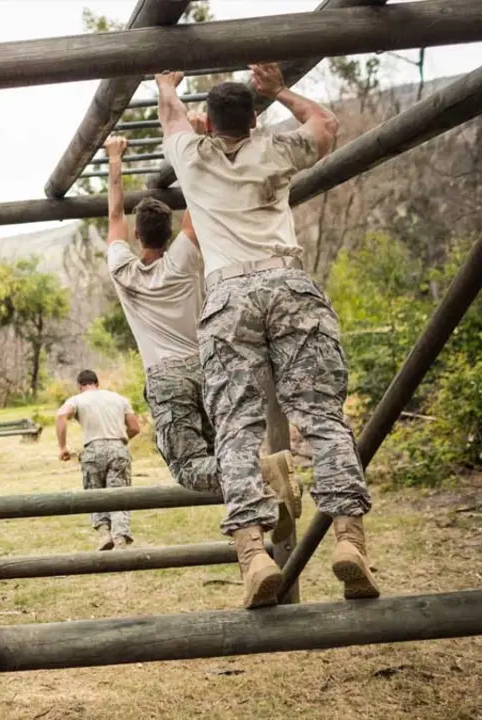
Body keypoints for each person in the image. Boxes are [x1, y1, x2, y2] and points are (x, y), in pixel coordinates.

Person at [156, 63, 378, 608]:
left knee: (235, 427)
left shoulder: (192, 157)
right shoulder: (274, 150)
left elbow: (171, 118)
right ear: (254, 121)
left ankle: (253, 554)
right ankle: (349, 540)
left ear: (208, 122)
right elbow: (325, 123)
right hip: (288, 284)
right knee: (322, 416)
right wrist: (280, 91)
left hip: (230, 296)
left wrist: (167, 86)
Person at [102, 132, 299, 536]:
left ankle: (263, 471)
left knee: (189, 468)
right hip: (208, 368)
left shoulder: (124, 270)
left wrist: (115, 159)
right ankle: (261, 511)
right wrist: (199, 138)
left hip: (167, 377)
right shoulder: (184, 257)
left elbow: (114, 217)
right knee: (224, 450)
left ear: (138, 237)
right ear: (169, 232)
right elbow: (197, 196)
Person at [56, 370, 140, 549]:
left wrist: (62, 447)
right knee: (119, 493)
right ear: (97, 383)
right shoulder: (119, 398)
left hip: (92, 450)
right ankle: (120, 538)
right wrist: (119, 441)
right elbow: (134, 427)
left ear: (80, 386)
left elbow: (61, 415)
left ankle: (104, 533)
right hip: (118, 448)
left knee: (94, 494)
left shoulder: (77, 400)